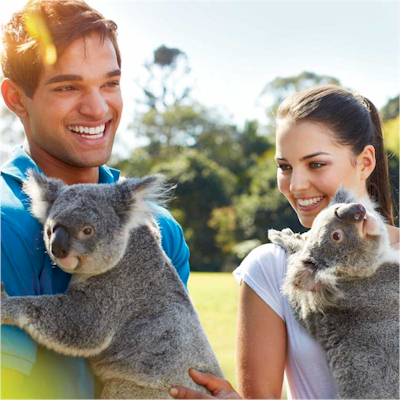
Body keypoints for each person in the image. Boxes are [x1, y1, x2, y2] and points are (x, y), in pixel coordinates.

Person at [0, 0, 190, 398]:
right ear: (16, 98)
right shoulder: (5, 221)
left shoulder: (161, 230)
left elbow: (176, 373)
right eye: (68, 87)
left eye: (110, 83)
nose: (98, 108)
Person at [169, 85, 400, 399]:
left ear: (365, 161)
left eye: (316, 164)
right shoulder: (273, 268)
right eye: (285, 167)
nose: (297, 185)